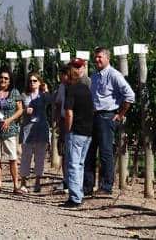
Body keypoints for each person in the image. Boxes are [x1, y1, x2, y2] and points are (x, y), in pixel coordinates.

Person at [83, 47, 135, 196]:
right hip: (93, 117)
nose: (97, 60)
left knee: (105, 153)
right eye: (96, 57)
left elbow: (130, 95)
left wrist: (120, 114)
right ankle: (87, 186)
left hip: (106, 117)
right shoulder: (95, 75)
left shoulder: (114, 75)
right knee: (89, 152)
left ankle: (106, 187)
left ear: (107, 58)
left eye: (100, 57)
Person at [62, 65, 94, 207]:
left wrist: (67, 130)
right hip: (88, 132)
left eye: (62, 75)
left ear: (67, 76)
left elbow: (69, 112)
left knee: (73, 165)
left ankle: (75, 198)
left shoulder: (71, 90)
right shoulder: (86, 89)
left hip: (76, 132)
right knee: (80, 164)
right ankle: (79, 194)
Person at [0, 68, 23, 193]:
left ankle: (15, 185)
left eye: (6, 78)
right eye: (1, 77)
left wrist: (9, 120)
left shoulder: (14, 92)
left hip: (10, 130)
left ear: (10, 81)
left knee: (12, 158)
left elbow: (20, 109)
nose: (3, 80)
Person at [19, 71, 51, 193]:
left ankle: (38, 181)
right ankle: (23, 181)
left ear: (39, 82)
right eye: (30, 81)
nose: (32, 83)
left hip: (41, 127)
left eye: (35, 81)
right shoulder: (24, 95)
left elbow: (50, 100)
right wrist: (26, 110)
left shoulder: (43, 95)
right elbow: (22, 108)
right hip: (28, 127)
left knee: (40, 156)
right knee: (26, 156)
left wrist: (46, 89)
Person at [52, 66, 70, 193]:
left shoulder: (78, 86)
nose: (61, 78)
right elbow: (58, 103)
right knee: (63, 152)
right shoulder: (62, 87)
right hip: (64, 121)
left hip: (75, 122)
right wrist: (58, 120)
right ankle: (65, 180)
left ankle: (73, 181)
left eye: (63, 75)